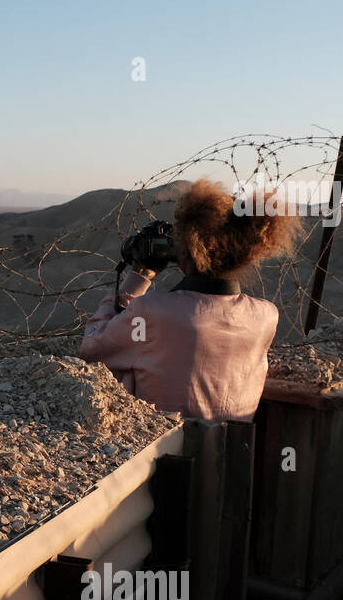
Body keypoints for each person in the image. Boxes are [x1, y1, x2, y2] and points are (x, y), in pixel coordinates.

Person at [79, 179, 301, 422]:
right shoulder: (266, 316)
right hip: (233, 448)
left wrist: (139, 276)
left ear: (188, 251)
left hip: (162, 447)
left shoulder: (152, 312)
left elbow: (92, 349)